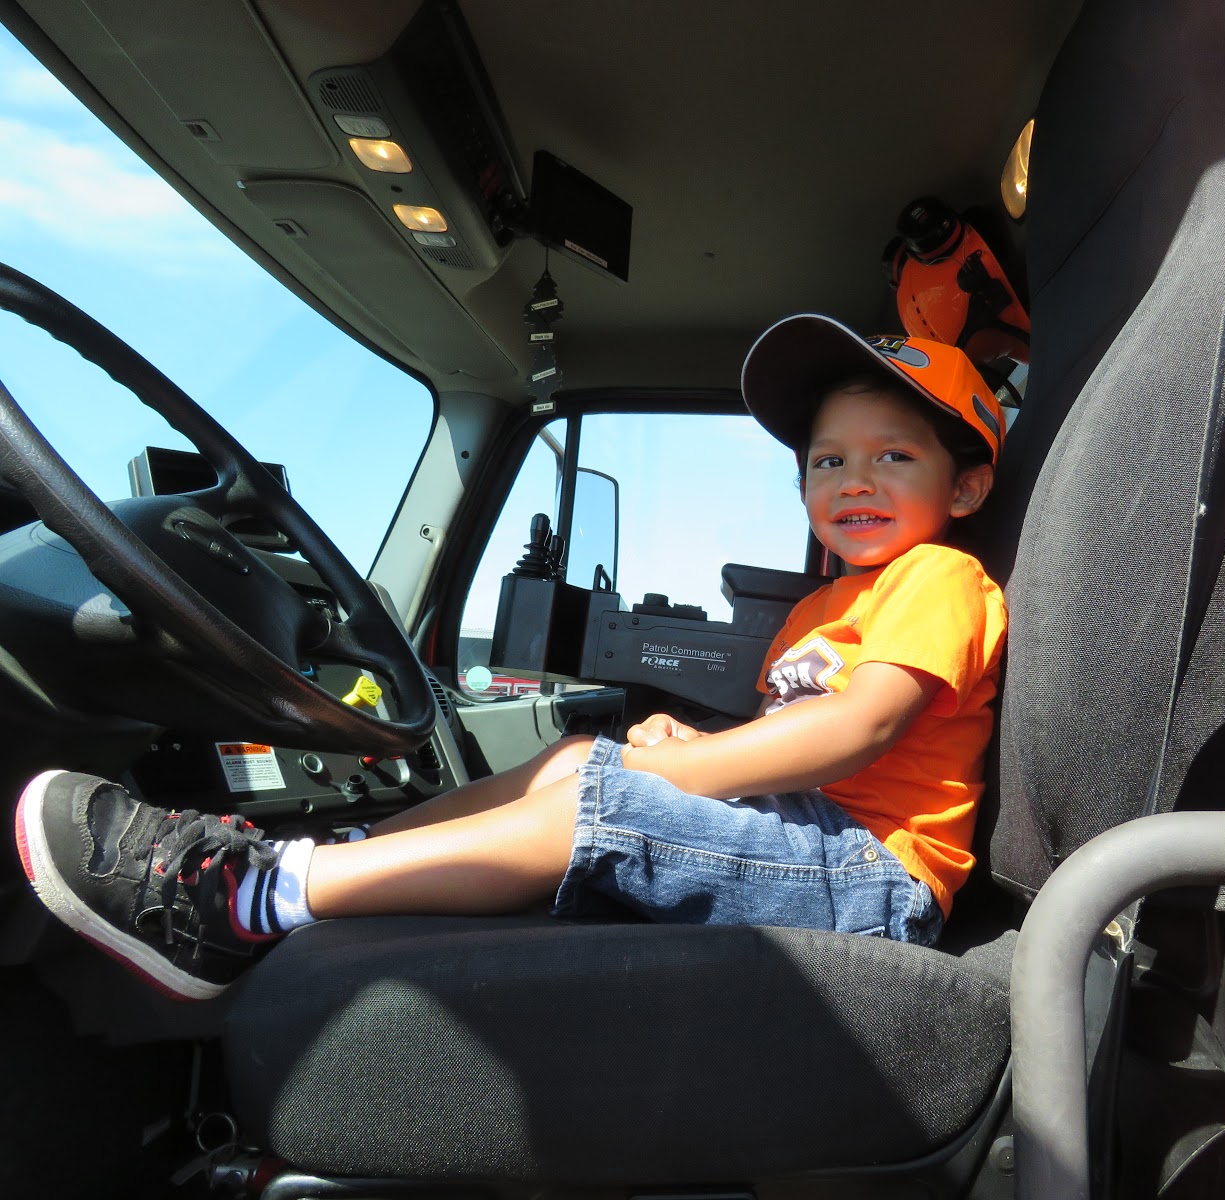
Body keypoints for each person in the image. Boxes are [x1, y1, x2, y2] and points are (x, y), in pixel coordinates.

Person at [12, 313, 1009, 1001]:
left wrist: (673, 770)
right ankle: (350, 865)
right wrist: (685, 740)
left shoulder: (941, 577)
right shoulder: (827, 604)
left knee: (600, 800)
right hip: (810, 838)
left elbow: (856, 728)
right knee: (584, 760)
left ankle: (244, 899)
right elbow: (784, 735)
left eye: (895, 455)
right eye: (828, 460)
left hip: (876, 881)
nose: (854, 479)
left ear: (962, 490)